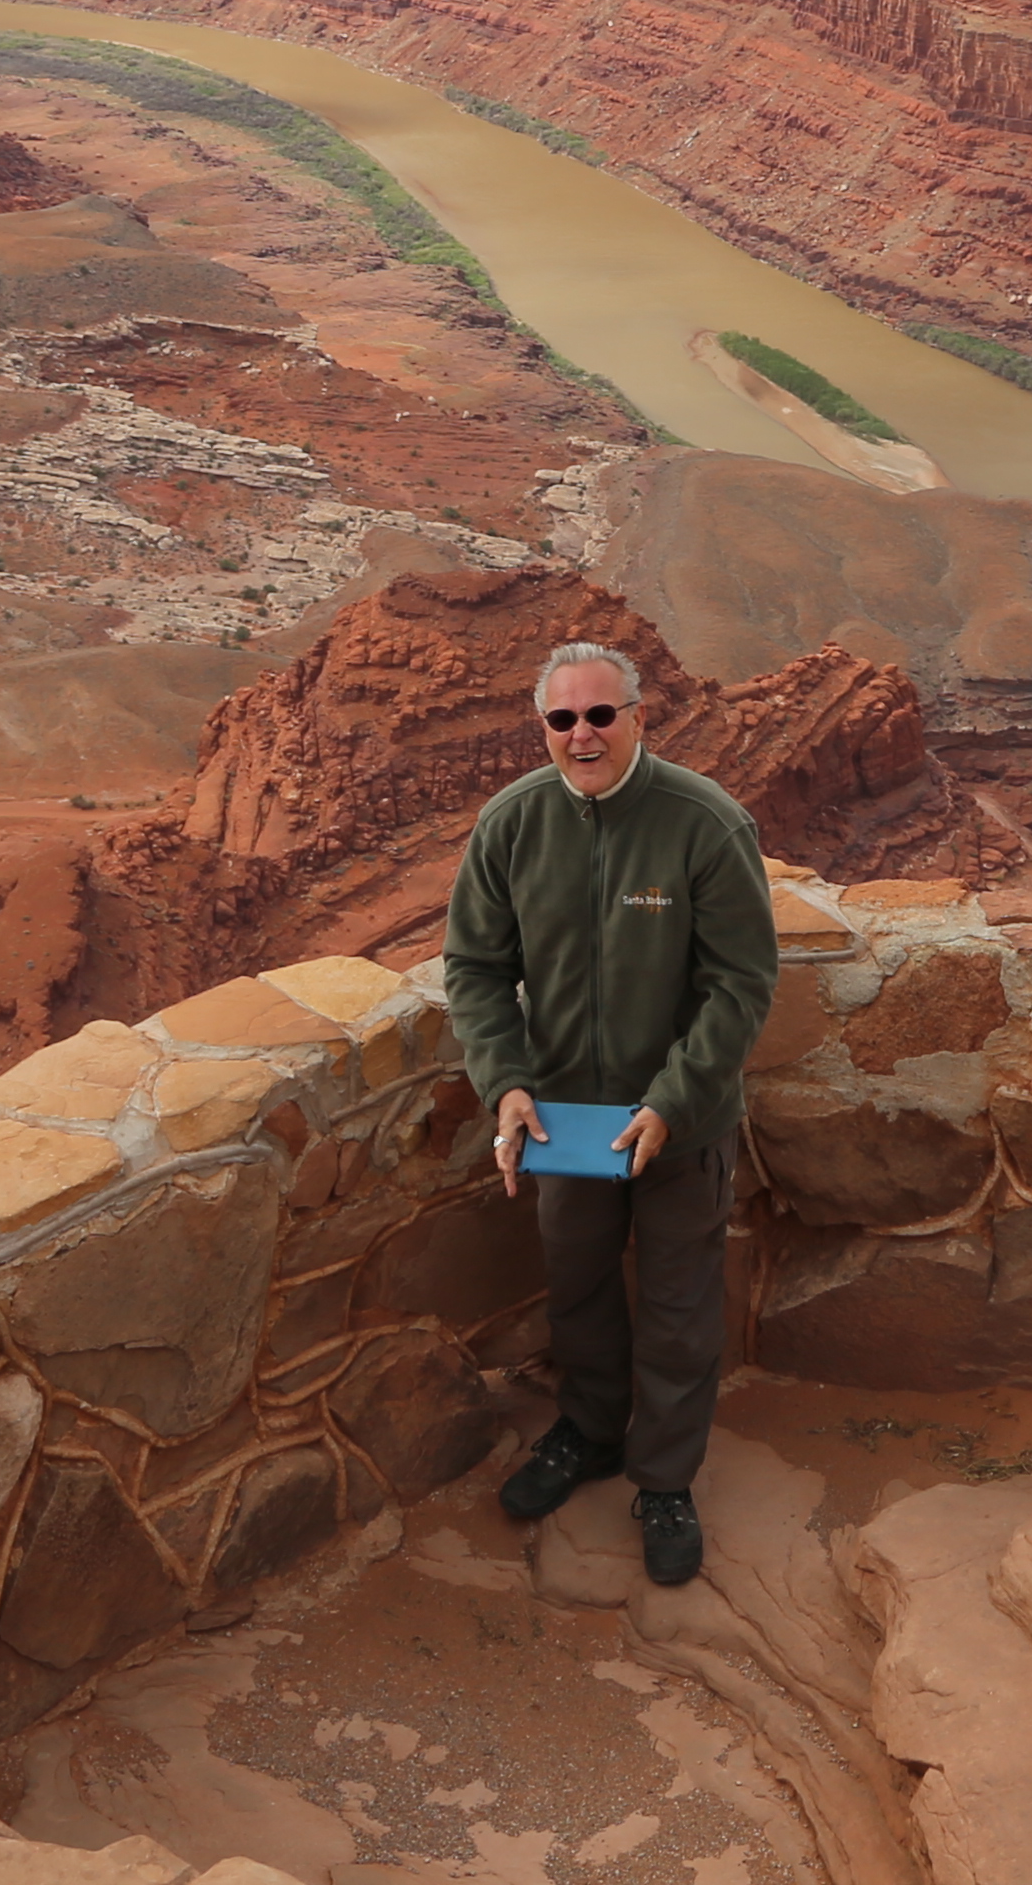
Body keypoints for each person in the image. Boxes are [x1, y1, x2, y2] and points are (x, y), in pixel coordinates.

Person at [438, 633, 779, 1587]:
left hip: (681, 1121)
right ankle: (587, 1431)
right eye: (562, 718)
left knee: (677, 1309)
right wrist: (504, 1082)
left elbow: (740, 986)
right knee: (579, 1287)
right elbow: (474, 969)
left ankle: (664, 1480)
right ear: (541, 727)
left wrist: (672, 1101)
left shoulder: (702, 823)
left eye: (600, 714)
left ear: (638, 716)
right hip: (565, 1126)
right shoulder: (511, 825)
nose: (581, 734)